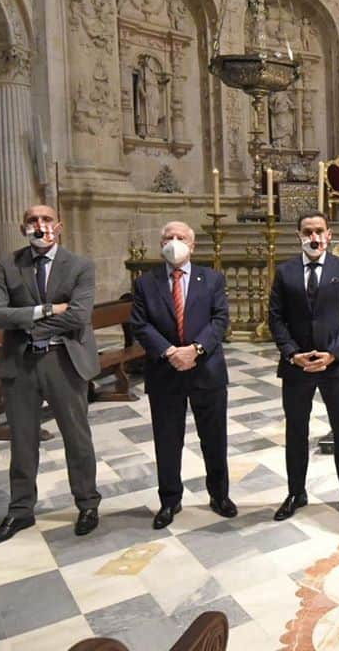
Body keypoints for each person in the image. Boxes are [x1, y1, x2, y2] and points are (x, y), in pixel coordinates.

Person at [0, 205, 101, 545]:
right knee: (22, 440)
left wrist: (24, 323)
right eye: (33, 220)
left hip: (63, 360)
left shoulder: (80, 266)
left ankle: (87, 503)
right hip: (20, 364)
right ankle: (20, 510)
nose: (40, 225)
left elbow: (78, 316)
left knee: (76, 437)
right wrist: (45, 310)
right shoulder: (8, 265)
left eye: (46, 219)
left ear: (58, 226)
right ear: (24, 227)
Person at [130, 221, 234, 529]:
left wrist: (196, 349)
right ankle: (169, 500)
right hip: (165, 371)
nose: (174, 242)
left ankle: (219, 495)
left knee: (214, 438)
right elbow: (140, 324)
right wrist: (170, 352)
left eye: (181, 238)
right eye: (168, 237)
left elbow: (220, 318)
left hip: (207, 370)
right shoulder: (146, 283)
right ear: (160, 243)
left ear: (193, 245)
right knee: (167, 439)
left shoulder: (212, 278)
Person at [268, 211, 339, 522]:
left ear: (329, 234)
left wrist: (333, 354)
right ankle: (296, 492)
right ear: (298, 235)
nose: (314, 237)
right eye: (307, 231)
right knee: (296, 431)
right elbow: (276, 317)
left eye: (319, 231)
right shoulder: (285, 272)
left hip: (334, 365)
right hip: (296, 367)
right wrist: (291, 353)